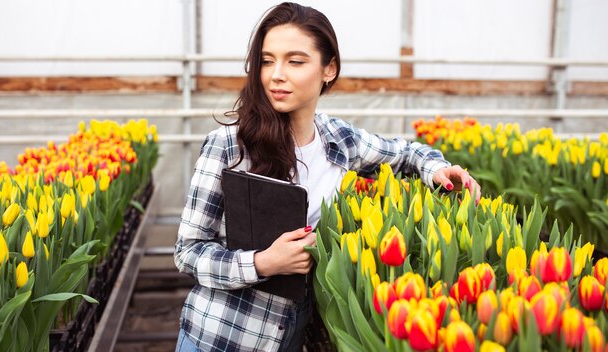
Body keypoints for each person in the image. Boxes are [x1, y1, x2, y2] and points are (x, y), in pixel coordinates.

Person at [174, 2, 481, 351]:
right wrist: (262, 262)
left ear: (329, 69)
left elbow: (407, 153)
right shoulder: (230, 146)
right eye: (267, 60)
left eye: (295, 61)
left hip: (293, 335)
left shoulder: (339, 139)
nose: (277, 74)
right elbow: (188, 252)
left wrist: (438, 169)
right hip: (225, 336)